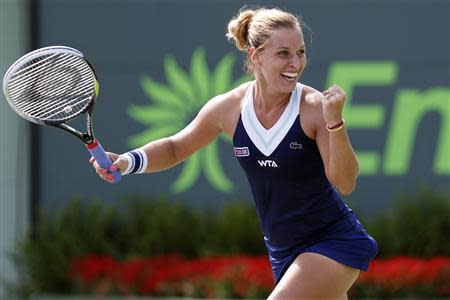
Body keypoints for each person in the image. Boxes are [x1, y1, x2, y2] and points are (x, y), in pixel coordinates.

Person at [91, 6, 378, 299]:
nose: (296, 63)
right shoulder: (228, 108)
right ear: (256, 57)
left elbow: (345, 182)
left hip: (332, 242)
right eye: (283, 53)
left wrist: (336, 122)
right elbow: (176, 147)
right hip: (283, 252)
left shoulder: (315, 107)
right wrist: (128, 161)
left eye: (301, 52)